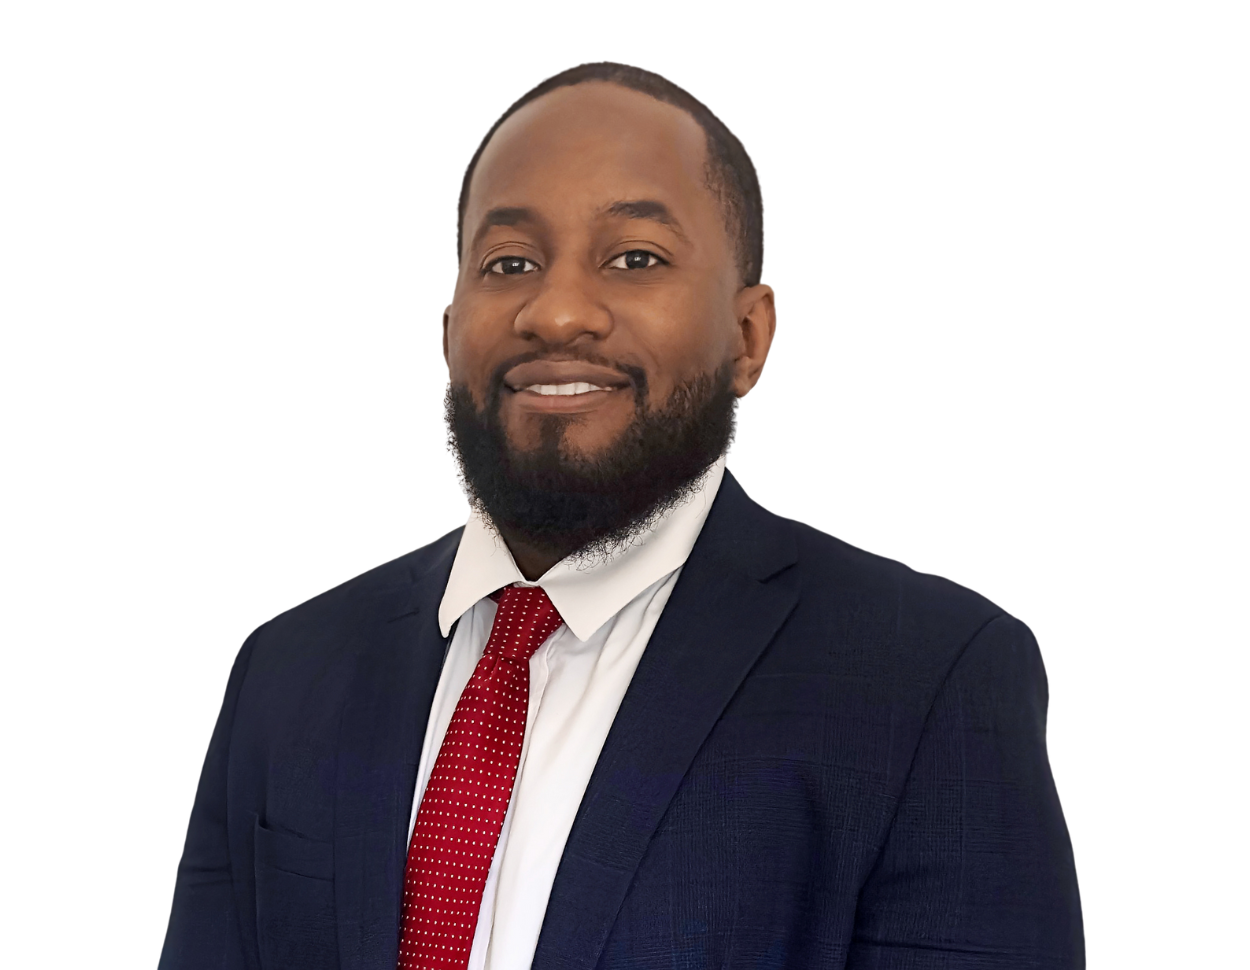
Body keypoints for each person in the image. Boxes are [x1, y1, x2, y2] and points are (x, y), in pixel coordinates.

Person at [158, 60, 1085, 969]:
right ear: (448, 332)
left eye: (635, 258)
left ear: (749, 337)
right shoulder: (287, 666)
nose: (557, 313)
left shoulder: (929, 676)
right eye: (510, 262)